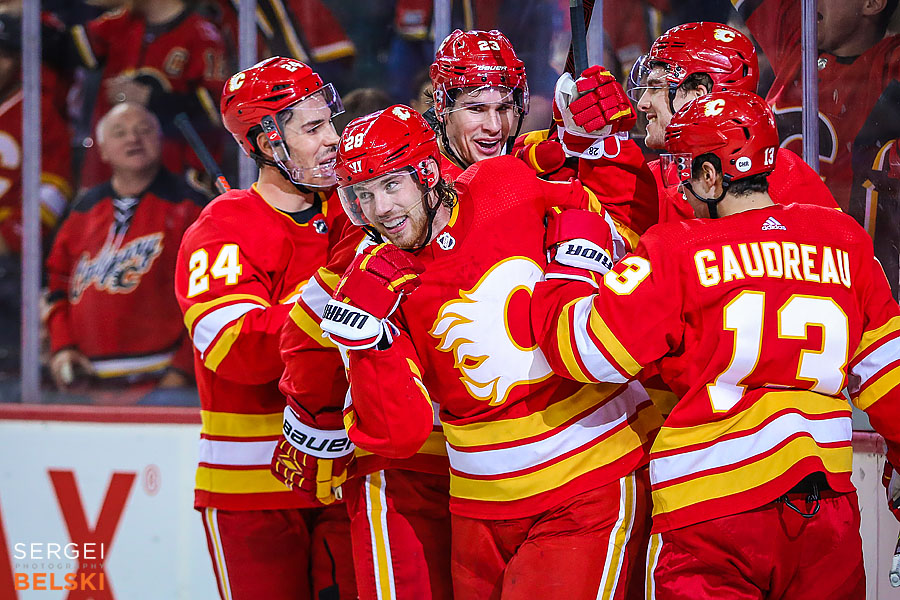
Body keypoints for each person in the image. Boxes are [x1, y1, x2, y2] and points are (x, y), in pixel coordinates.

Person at [531, 89, 900, 599]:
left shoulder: (678, 248)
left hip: (713, 515)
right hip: (824, 515)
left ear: (711, 175)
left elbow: (586, 352)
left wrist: (569, 270)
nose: (680, 181)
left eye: (687, 168)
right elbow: (889, 380)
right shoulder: (844, 239)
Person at [319, 104, 662, 600]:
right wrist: (371, 345)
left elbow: (596, 213)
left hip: (587, 481)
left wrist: (582, 255)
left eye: (391, 185)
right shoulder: (370, 283)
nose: (380, 210)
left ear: (428, 173)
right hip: (478, 507)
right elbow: (400, 435)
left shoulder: (501, 184)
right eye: (362, 196)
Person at [174, 57, 355, 600]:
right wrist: (333, 294)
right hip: (253, 491)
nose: (333, 140)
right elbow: (237, 349)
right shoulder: (223, 227)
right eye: (313, 128)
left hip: (348, 479)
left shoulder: (355, 211)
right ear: (268, 142)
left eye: (331, 122)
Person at [45, 103, 201, 400]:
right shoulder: (82, 211)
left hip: (166, 383)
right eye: (120, 133)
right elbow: (57, 287)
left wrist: (181, 371)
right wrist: (63, 348)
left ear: (159, 140)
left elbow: (212, 301)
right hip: (88, 383)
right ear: (102, 150)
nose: (133, 139)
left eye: (143, 131)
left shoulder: (191, 207)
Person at [627, 21, 838, 222]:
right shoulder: (646, 180)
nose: (642, 103)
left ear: (700, 97)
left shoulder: (789, 174)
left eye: (656, 87)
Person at [733, 0, 900, 212]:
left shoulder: (890, 64)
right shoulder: (801, 38)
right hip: (768, 236)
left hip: (840, 242)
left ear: (872, 3)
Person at [72, 0, 227, 189]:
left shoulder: (202, 35)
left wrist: (152, 99)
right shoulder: (120, 23)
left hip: (177, 186)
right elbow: (61, 48)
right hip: (113, 181)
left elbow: (216, 111)